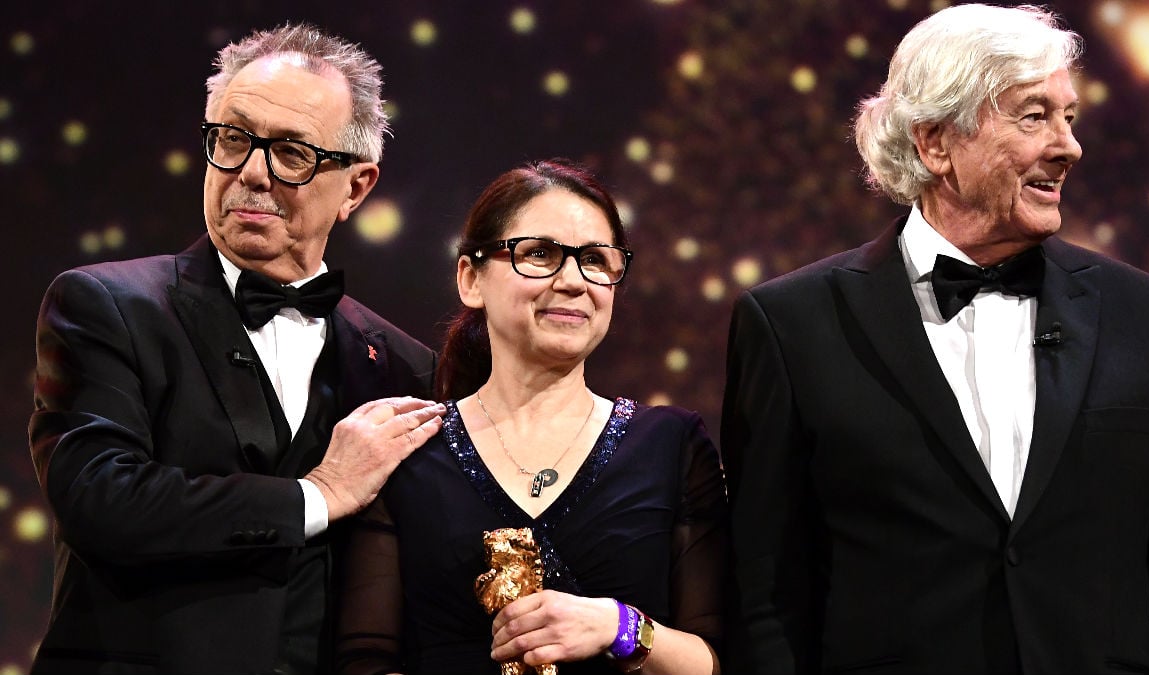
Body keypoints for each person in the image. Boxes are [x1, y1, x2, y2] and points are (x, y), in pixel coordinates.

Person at [722, 4, 1149, 675]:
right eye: (1034, 115)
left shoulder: (1148, 317)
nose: (1068, 145)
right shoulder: (791, 324)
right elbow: (766, 596)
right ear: (935, 143)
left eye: (1070, 117)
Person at [28, 24, 445, 675]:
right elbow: (100, 499)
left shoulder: (402, 363)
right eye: (233, 139)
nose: (251, 172)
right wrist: (318, 494)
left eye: (292, 153)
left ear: (357, 188)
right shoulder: (106, 305)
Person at [335, 159, 728, 674]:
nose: (573, 281)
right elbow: (362, 660)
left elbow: (718, 661)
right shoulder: (408, 449)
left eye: (595, 259)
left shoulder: (672, 446)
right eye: (539, 254)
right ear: (470, 279)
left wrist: (619, 627)